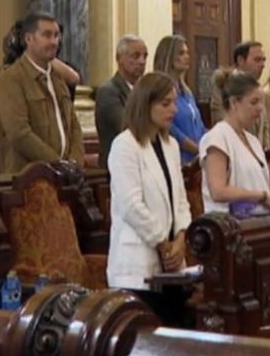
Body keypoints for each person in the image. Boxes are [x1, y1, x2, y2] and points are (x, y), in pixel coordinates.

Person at [106, 72, 192, 326]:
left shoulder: (171, 145)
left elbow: (180, 200)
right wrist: (163, 244)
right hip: (138, 265)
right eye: (165, 103)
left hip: (172, 267)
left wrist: (181, 238)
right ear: (145, 104)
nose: (173, 110)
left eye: (174, 102)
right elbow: (131, 206)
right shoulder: (125, 145)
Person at [0, 11, 84, 173]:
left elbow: (74, 127)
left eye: (56, 35)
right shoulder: (12, 78)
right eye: (47, 35)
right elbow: (19, 133)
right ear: (29, 39)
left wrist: (75, 163)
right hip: (29, 178)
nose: (54, 42)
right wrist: (58, 164)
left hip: (66, 177)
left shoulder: (58, 78)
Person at [200, 71, 270, 216]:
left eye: (261, 102)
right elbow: (218, 191)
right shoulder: (217, 138)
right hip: (229, 226)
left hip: (259, 221)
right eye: (254, 102)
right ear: (234, 103)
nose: (260, 108)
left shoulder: (253, 140)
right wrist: (261, 196)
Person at [95, 35, 148, 168]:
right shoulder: (108, 91)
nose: (142, 61)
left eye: (145, 56)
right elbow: (126, 127)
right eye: (135, 56)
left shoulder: (144, 91)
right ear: (119, 59)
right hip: (118, 166)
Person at [152, 35, 205, 164]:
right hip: (180, 159)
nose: (187, 57)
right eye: (181, 53)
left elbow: (199, 125)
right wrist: (196, 149)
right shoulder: (160, 91)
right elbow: (172, 130)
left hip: (198, 159)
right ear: (169, 57)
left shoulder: (186, 92)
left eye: (187, 53)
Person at [209, 40, 267, 126]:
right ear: (241, 60)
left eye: (263, 60)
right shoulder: (223, 85)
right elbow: (220, 119)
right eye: (257, 60)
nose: (262, 65)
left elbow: (265, 125)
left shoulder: (258, 89)